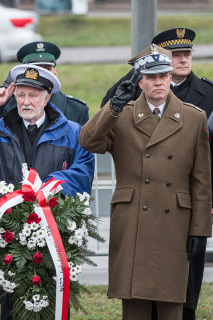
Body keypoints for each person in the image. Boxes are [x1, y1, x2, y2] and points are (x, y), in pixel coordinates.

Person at [79, 44, 212, 320]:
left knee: (172, 305)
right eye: (151, 77)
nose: (158, 82)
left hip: (174, 222)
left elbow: (201, 180)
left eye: (163, 76)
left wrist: (201, 229)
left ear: (170, 78)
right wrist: (112, 108)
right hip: (134, 222)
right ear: (140, 81)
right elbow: (88, 141)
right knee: (135, 307)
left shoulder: (193, 117)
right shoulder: (122, 114)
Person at [0, 64, 95, 320]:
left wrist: (49, 186)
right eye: (20, 95)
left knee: (50, 305)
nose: (26, 102)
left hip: (53, 234)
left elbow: (83, 172)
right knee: (10, 305)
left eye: (33, 95)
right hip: (8, 236)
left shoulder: (72, 132)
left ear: (47, 97)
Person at [0, 41, 89, 125]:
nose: (42, 75)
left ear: (55, 73)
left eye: (46, 69)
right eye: (35, 69)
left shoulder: (77, 110)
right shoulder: (7, 105)